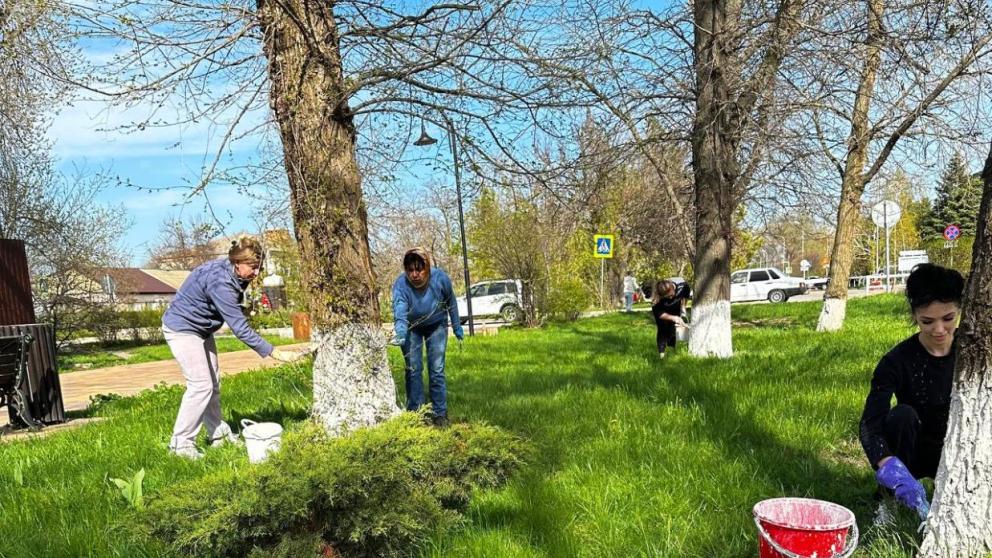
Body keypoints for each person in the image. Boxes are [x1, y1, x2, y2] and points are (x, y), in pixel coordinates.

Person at [162, 236, 304, 459]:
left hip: (201, 329)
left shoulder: (234, 273)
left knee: (212, 384)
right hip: (182, 328)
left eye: (259, 267)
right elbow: (240, 328)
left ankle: (218, 434)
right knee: (201, 385)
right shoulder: (221, 283)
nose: (256, 273)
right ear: (237, 262)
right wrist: (274, 352)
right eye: (253, 267)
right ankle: (180, 444)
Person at [859, 263, 964, 521]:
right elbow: (871, 423)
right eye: (928, 321)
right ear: (914, 314)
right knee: (902, 415)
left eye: (948, 319)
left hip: (956, 444)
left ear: (960, 310)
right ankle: (890, 500)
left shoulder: (973, 350)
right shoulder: (896, 361)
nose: (939, 330)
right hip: (911, 446)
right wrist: (887, 464)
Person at [390, 248, 464, 427]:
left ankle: (440, 413)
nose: (414, 274)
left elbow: (451, 302)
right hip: (411, 327)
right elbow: (400, 311)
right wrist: (400, 331)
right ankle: (417, 414)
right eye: (410, 270)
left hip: (436, 325)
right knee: (413, 370)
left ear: (428, 268)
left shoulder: (440, 279)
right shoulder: (401, 285)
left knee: (436, 369)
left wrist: (456, 326)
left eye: (419, 269)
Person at [651, 279, 687, 359]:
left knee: (673, 328)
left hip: (675, 307)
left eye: (671, 295)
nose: (670, 297)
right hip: (663, 309)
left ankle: (672, 350)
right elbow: (659, 314)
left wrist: (683, 307)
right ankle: (661, 355)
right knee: (662, 329)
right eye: (667, 297)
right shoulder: (656, 299)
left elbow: (685, 295)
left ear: (672, 288)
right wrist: (674, 317)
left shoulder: (682, 285)